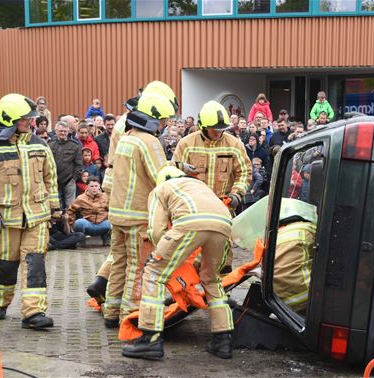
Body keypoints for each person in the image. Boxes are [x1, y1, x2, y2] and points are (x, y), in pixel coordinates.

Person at [122, 166, 234, 360]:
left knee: (153, 273)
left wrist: (160, 254)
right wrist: (198, 262)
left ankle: (150, 339)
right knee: (211, 279)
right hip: (224, 225)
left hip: (189, 222)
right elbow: (211, 223)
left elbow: (156, 230)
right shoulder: (200, 186)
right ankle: (222, 340)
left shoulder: (162, 189)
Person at [0, 93, 60, 329]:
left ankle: (34, 313)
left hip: (37, 218)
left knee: (35, 264)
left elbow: (51, 179)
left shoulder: (40, 144)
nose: (29, 122)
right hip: (5, 220)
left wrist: (54, 210)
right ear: (9, 119)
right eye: (24, 119)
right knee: (6, 265)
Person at [88, 81, 180, 307]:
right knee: (137, 266)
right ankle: (130, 313)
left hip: (118, 210)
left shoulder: (127, 135)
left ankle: (111, 309)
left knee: (118, 261)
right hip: (137, 214)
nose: (163, 126)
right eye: (162, 121)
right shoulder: (149, 140)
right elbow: (161, 176)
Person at [173, 101, 252, 269]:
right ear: (203, 127)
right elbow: (174, 175)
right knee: (192, 254)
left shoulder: (235, 145)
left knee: (222, 252)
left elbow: (244, 172)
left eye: (222, 129)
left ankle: (221, 284)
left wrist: (237, 194)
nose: (219, 133)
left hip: (223, 207)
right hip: (193, 210)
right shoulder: (186, 144)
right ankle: (193, 288)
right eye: (215, 129)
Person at [67, 176, 111, 246]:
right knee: (79, 223)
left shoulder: (106, 197)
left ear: (100, 186)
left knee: (113, 223)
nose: (94, 188)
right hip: (88, 224)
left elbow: (112, 210)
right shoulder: (81, 198)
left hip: (103, 224)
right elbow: (71, 210)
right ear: (87, 186)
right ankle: (81, 238)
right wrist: (71, 224)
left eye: (96, 186)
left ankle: (106, 237)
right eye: (92, 186)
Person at [49, 121, 83, 210]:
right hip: (54, 181)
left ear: (68, 132)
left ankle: (69, 223)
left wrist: (73, 179)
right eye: (60, 131)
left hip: (69, 181)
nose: (63, 133)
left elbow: (79, 164)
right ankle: (57, 224)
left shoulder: (75, 145)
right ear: (56, 131)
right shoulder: (50, 145)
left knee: (70, 208)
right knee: (55, 206)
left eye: (65, 131)